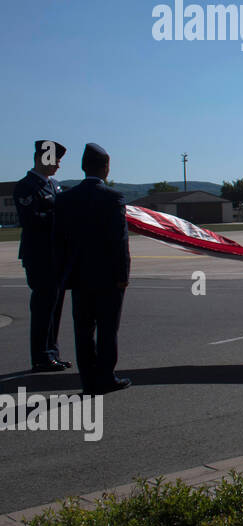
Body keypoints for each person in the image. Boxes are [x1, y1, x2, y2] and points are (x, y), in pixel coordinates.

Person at [53, 143, 131, 394]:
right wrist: (123, 275)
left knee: (83, 330)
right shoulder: (113, 197)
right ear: (106, 168)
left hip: (78, 277)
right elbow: (119, 241)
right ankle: (106, 376)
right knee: (108, 329)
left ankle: (87, 380)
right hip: (108, 277)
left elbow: (59, 241)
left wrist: (65, 275)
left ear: (83, 167)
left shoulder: (64, 198)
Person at [15, 140, 73, 372]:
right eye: (55, 160)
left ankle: (51, 352)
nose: (58, 165)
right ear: (42, 158)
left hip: (55, 255)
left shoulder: (55, 186)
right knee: (43, 307)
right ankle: (41, 356)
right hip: (39, 256)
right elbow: (32, 220)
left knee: (54, 306)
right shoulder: (26, 186)